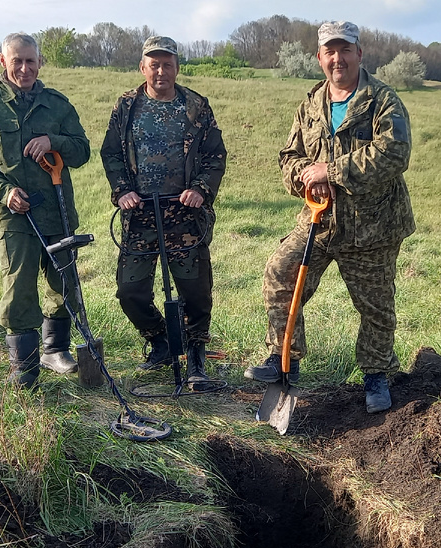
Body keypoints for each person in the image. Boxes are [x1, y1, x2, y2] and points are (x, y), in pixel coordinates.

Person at [244, 21, 415, 414]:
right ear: (320, 57)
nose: (337, 58)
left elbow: (394, 154)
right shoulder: (311, 104)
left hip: (373, 226)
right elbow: (289, 158)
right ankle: (284, 359)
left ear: (359, 54)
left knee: (376, 306)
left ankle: (376, 375)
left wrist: (331, 172)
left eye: (344, 50)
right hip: (320, 222)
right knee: (281, 274)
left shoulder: (382, 100)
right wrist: (306, 176)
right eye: (329, 52)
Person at [0, 32, 92, 387]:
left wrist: (54, 141)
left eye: (30, 61)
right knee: (19, 286)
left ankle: (55, 350)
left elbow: (82, 151)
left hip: (57, 206)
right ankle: (25, 367)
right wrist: (4, 193)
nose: (24, 68)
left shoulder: (58, 104)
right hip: (12, 213)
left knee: (63, 281)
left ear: (40, 62)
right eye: (16, 61)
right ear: (3, 61)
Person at [100, 36, 227, 388]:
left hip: (184, 215)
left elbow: (215, 156)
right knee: (130, 291)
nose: (160, 71)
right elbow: (111, 153)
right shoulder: (126, 106)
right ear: (143, 68)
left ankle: (196, 357)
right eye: (153, 64)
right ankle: (161, 342)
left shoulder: (196, 106)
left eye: (167, 64)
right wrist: (122, 190)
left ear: (176, 67)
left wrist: (200, 190)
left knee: (195, 291)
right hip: (140, 215)